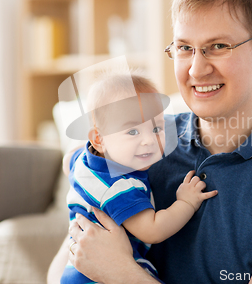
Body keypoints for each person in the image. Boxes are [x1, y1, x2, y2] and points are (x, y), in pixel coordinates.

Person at [48, 0, 252, 284]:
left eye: (217, 46)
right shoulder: (139, 146)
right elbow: (64, 270)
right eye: (184, 48)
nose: (197, 69)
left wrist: (122, 273)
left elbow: (102, 263)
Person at [60, 71, 218, 284]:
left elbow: (66, 161)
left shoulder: (82, 159)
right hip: (98, 276)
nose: (149, 141)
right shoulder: (119, 185)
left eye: (156, 128)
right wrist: (186, 202)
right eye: (132, 132)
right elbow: (152, 230)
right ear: (98, 139)